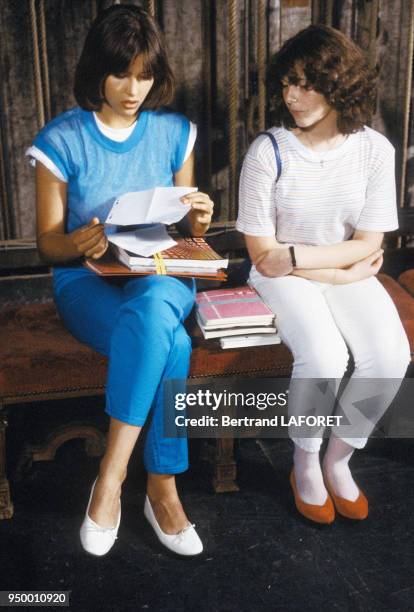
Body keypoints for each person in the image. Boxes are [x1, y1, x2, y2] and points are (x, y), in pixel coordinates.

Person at [26, 4, 214, 556]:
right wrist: (79, 241)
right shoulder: (61, 139)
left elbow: (181, 220)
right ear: (96, 72)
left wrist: (197, 220)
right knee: (170, 338)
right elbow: (48, 243)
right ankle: (161, 486)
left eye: (145, 75)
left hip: (159, 272)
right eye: (120, 73)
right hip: (85, 282)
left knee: (156, 306)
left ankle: (110, 477)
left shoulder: (175, 132)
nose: (134, 88)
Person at [236, 24, 411, 524]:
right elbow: (266, 256)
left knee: (391, 354)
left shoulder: (375, 150)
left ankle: (339, 459)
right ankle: (305, 461)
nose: (292, 95)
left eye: (307, 83)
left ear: (341, 86)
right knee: (325, 354)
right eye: (287, 83)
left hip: (334, 271)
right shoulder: (267, 152)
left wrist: (315, 265)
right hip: (287, 277)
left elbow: (371, 240)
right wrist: (329, 267)